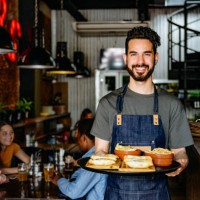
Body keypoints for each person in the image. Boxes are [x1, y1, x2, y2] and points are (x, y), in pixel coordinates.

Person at [90, 26, 194, 200]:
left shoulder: (172, 104)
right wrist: (101, 158)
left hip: (157, 194)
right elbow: (100, 151)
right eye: (133, 54)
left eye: (146, 54)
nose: (140, 61)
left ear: (156, 57)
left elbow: (179, 152)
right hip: (117, 194)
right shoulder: (107, 103)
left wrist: (181, 162)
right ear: (125, 58)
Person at [51, 118, 108, 200]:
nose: (77, 143)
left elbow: (74, 192)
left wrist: (59, 180)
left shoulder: (95, 161)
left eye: (78, 138)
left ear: (84, 138)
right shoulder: (94, 157)